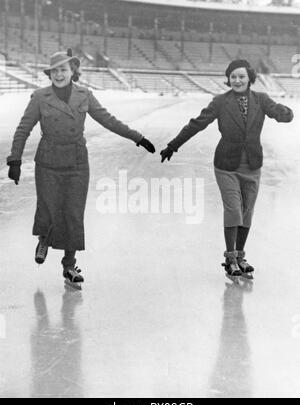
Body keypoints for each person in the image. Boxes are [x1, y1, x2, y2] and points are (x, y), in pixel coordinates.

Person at [7, 49, 155, 288]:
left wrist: (137, 138)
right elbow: (24, 128)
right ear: (49, 74)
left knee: (74, 214)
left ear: (73, 71)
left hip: (76, 162)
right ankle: (44, 239)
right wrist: (14, 160)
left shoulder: (85, 95)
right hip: (48, 161)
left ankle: (69, 265)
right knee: (48, 209)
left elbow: (108, 120)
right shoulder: (39, 97)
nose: (58, 74)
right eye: (54, 70)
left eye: (63, 70)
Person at [160, 59, 293, 279]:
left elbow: (284, 115)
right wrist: (173, 145)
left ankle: (241, 255)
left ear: (250, 78)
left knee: (247, 211)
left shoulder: (261, 100)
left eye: (241, 76)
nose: (237, 80)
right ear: (228, 79)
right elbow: (197, 123)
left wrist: (283, 112)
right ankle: (230, 258)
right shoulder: (221, 102)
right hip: (226, 165)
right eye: (233, 77)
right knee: (234, 209)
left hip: (252, 165)